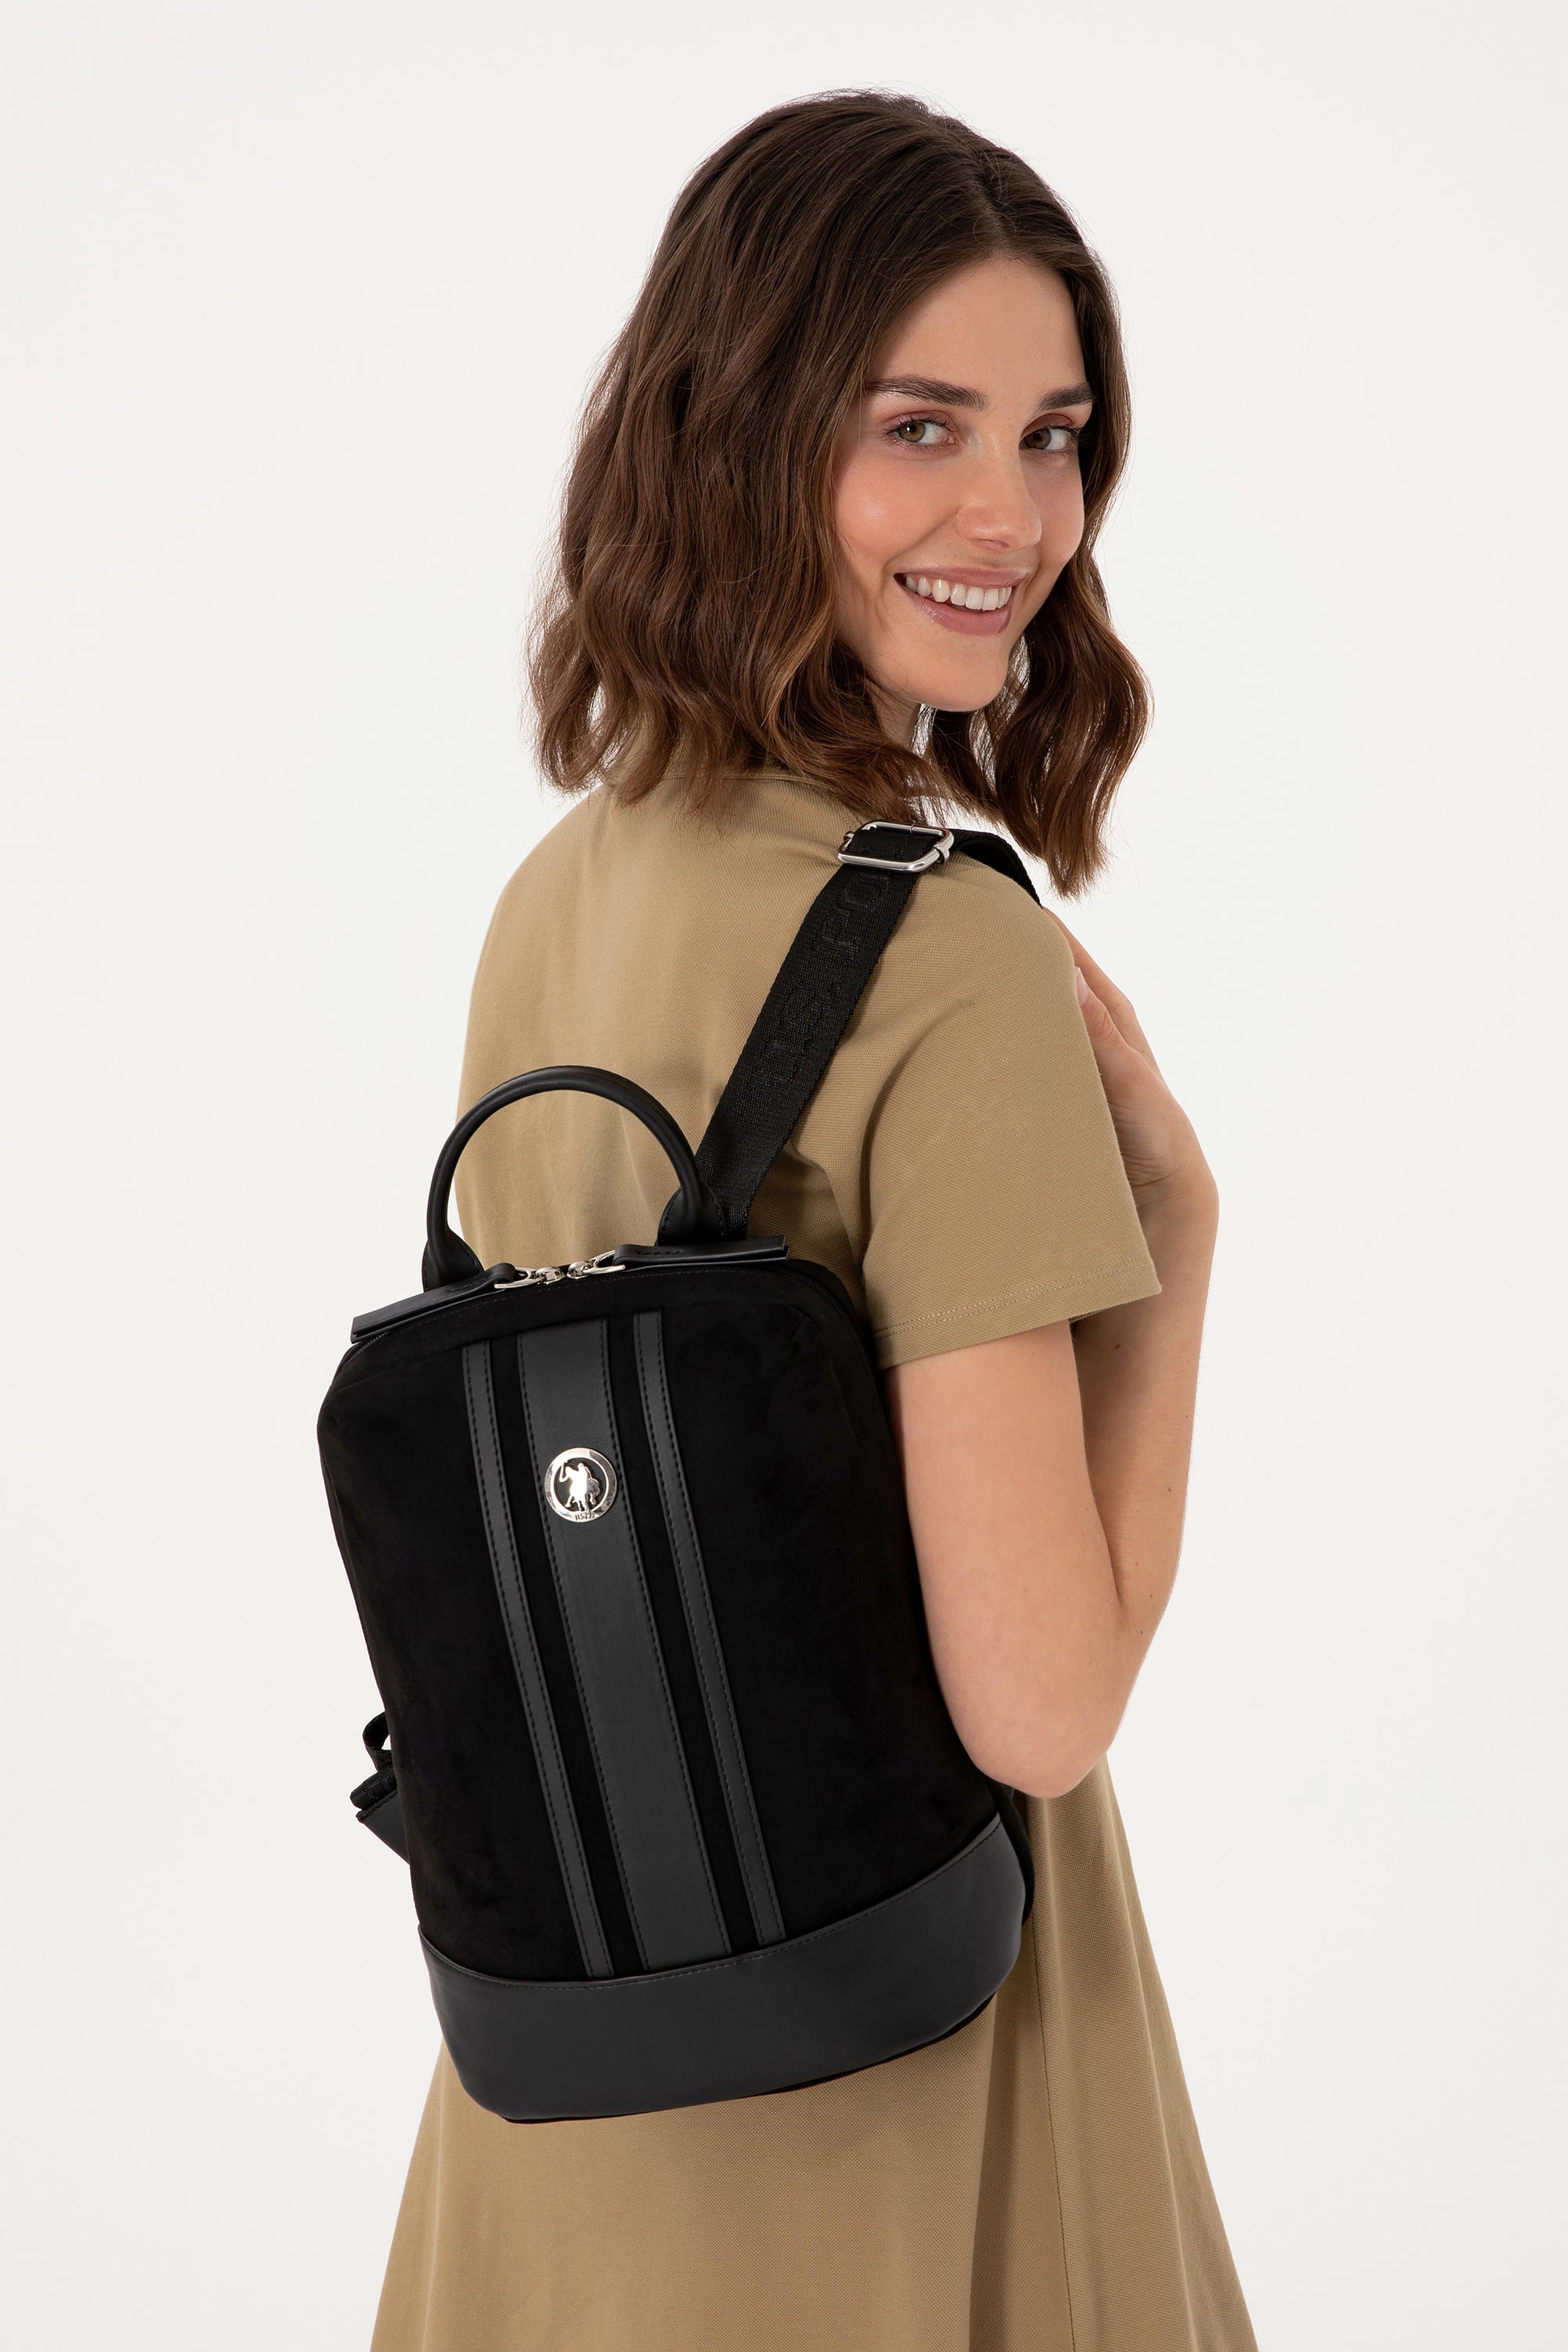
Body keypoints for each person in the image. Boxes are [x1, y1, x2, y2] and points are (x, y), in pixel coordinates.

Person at [369, 90, 1256, 2352]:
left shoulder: (557, 889)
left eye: (1054, 435)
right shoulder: (946, 952)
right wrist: (1177, 1251)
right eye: (917, 426)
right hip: (887, 2063)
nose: (1011, 514)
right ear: (744, 433)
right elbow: (1037, 1708)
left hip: (566, 2049)